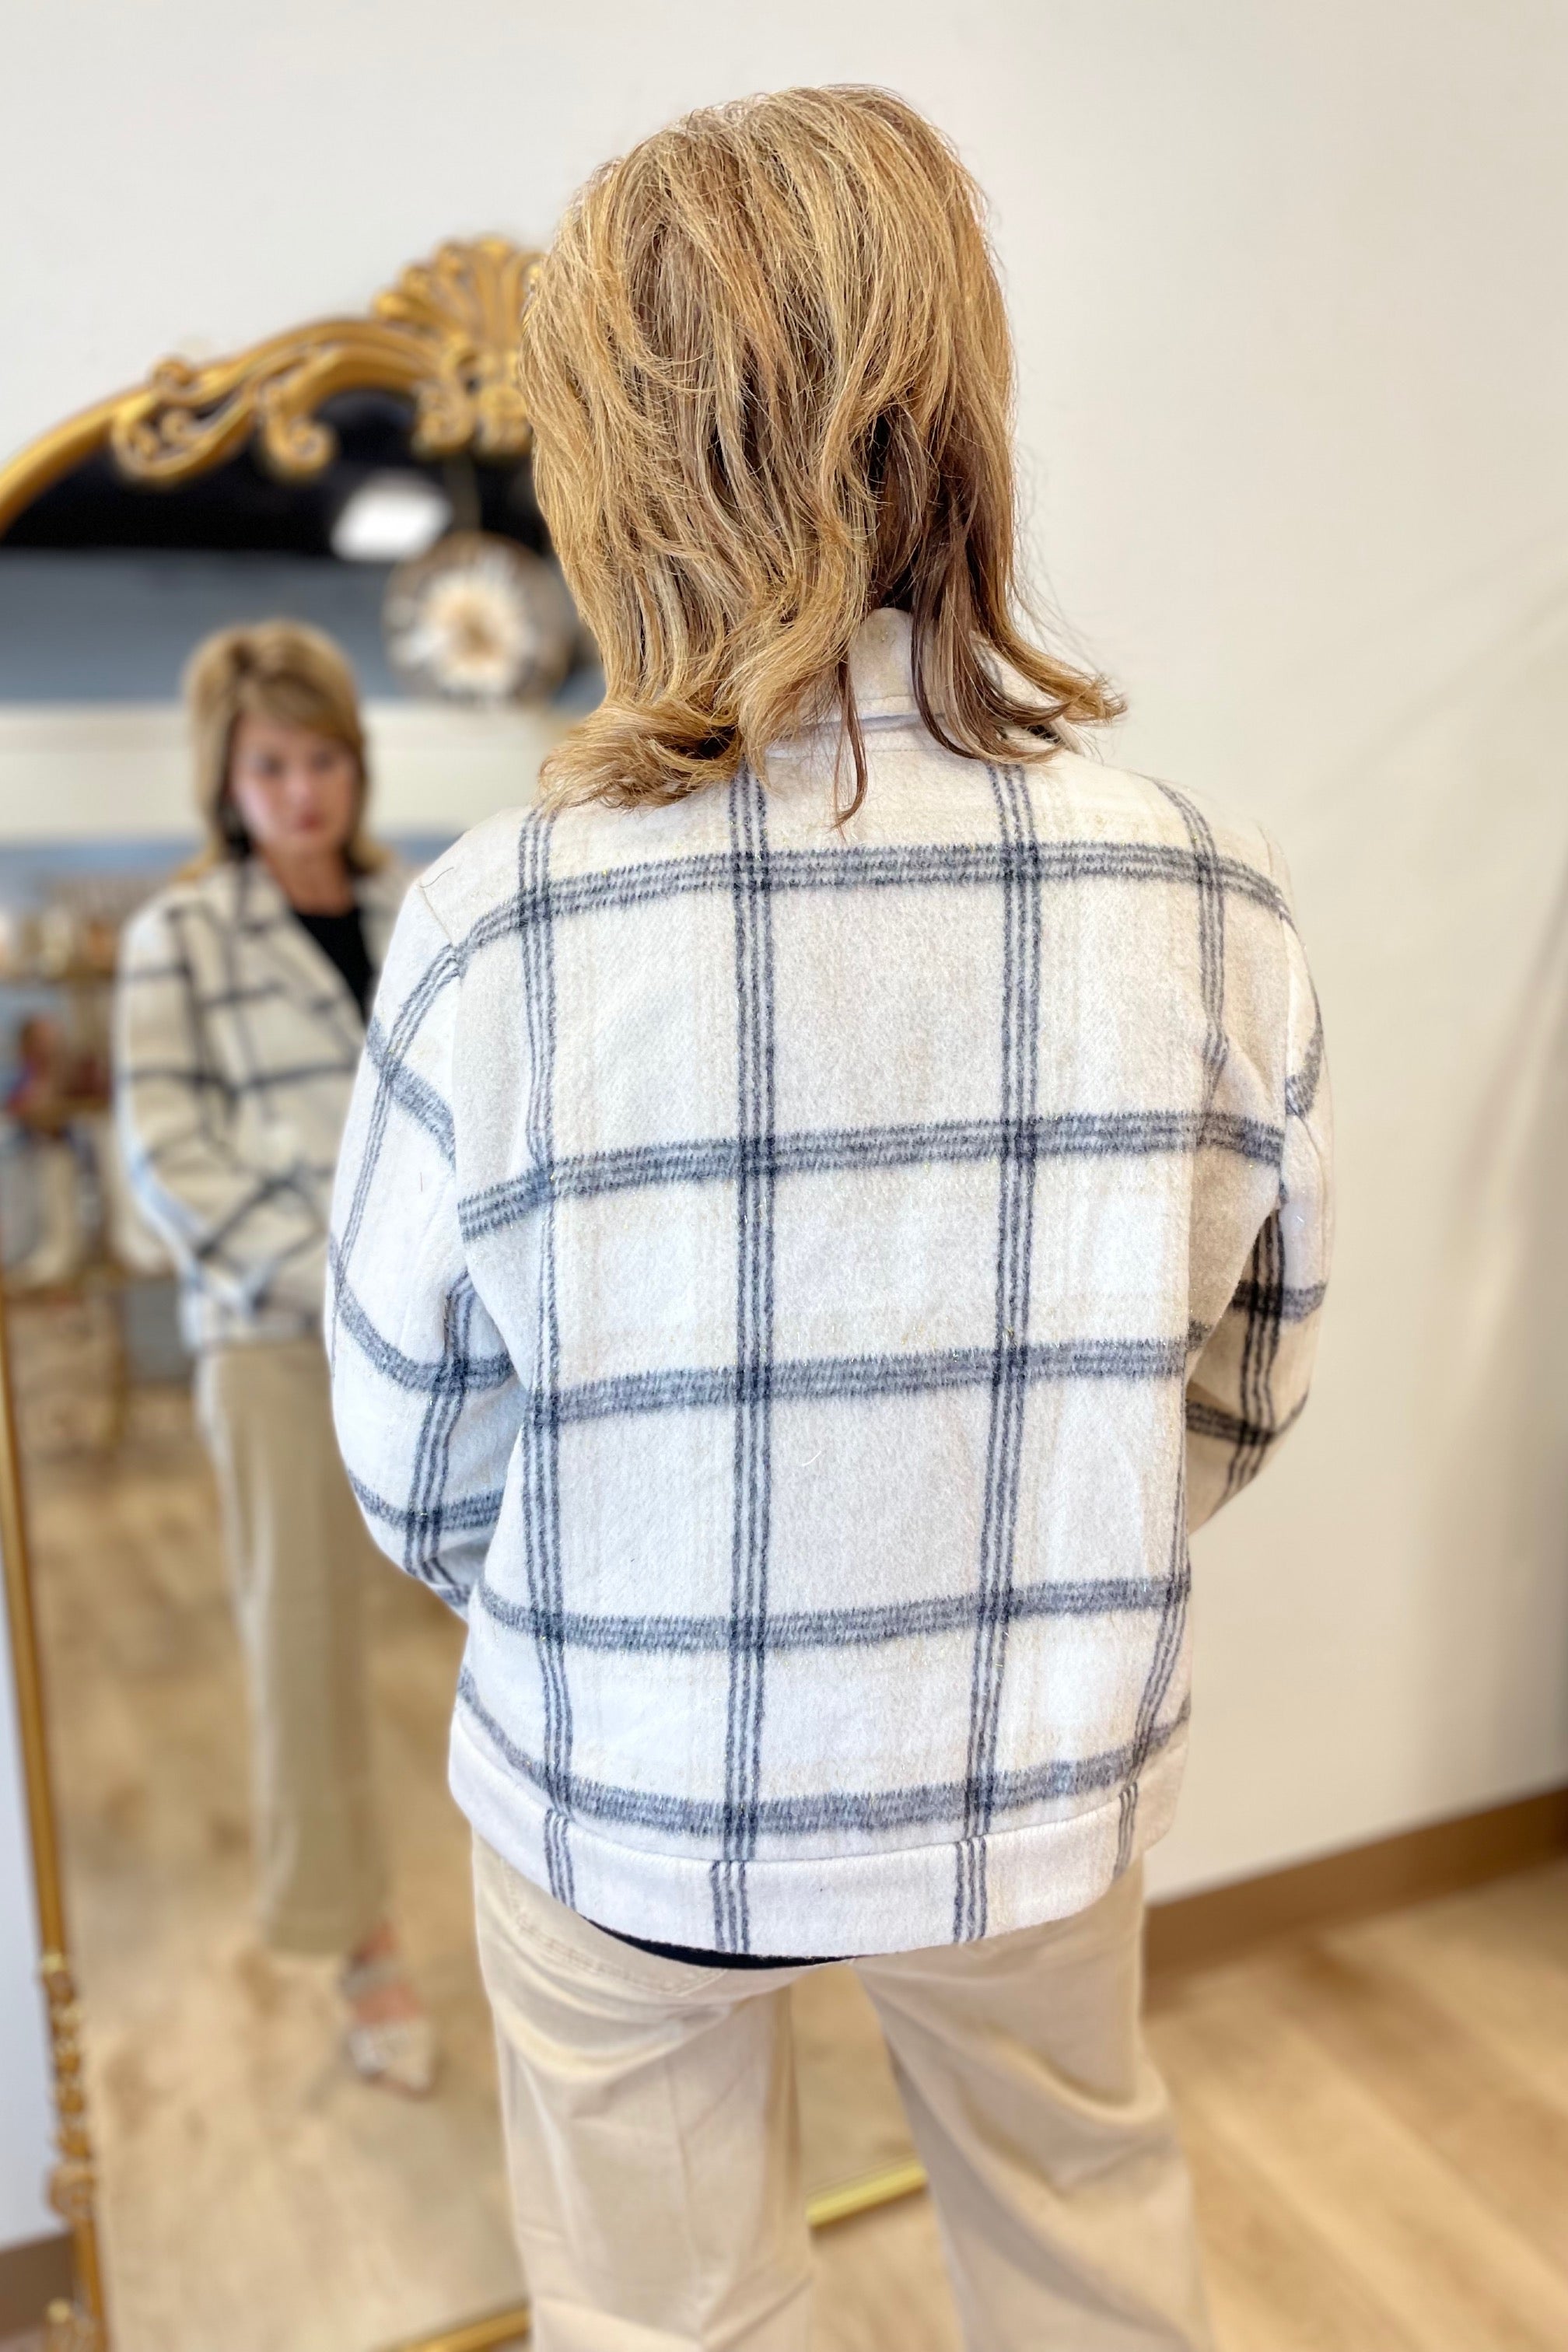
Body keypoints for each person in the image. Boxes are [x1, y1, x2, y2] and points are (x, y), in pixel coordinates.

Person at [327, 87, 1332, 2348]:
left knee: (663, 2308)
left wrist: (652, 1599)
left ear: (612, 469)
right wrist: (1026, 1546)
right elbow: (1248, 1374)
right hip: (1036, 1769)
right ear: (953, 411)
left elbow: (415, 1455)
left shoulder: (499, 925)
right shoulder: (1203, 884)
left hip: (628, 1787)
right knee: (1081, 2223)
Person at [116, 621, 435, 2095]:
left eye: (324, 760)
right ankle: (358, 1939)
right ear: (226, 783)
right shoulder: (180, 936)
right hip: (274, 1339)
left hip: (449, 1329)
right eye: (270, 768)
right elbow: (166, 1156)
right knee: (301, 1643)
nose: (302, 792)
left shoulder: (420, 910)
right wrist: (337, 1284)